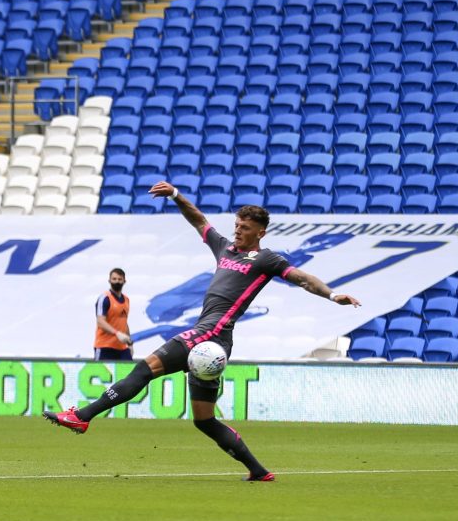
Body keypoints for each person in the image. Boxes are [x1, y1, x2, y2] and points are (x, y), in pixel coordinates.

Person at [45, 181, 361, 481]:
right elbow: (199, 221)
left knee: (144, 369)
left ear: (260, 233)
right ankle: (259, 471)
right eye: (237, 225)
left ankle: (83, 415)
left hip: (210, 335)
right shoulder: (223, 248)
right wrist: (176, 195)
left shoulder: (266, 259)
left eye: (246, 228)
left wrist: (333, 295)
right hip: (212, 343)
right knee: (204, 420)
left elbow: (302, 278)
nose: (238, 231)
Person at [94, 268, 134, 360]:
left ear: (124, 281)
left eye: (120, 279)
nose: (117, 282)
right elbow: (100, 321)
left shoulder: (126, 299)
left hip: (122, 348)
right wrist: (117, 333)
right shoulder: (105, 298)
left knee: (128, 373)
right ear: (109, 280)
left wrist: (130, 343)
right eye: (114, 279)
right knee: (103, 374)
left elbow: (124, 322)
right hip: (105, 346)